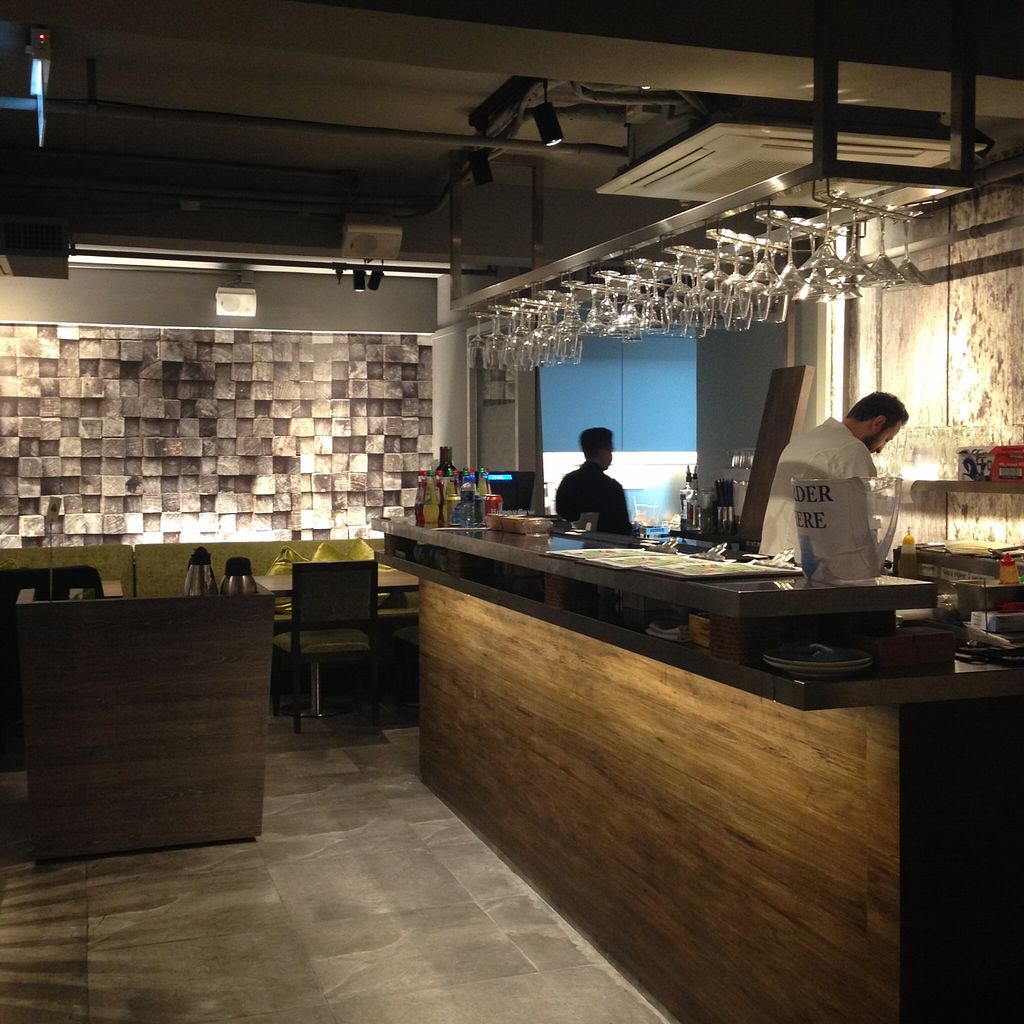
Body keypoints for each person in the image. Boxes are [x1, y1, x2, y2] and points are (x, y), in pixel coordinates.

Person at [759, 391, 909, 557]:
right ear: (878, 422)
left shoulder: (804, 440)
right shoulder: (851, 449)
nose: (880, 449)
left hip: (773, 554)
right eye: (887, 439)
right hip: (811, 562)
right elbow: (859, 523)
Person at [555, 427, 633, 535]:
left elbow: (562, 516)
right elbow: (623, 529)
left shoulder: (568, 481)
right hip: (607, 544)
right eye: (611, 450)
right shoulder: (612, 487)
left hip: (574, 543)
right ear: (602, 452)